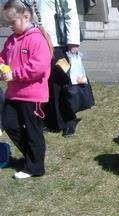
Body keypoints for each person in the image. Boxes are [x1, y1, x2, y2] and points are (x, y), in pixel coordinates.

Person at [0, 0, 52, 179]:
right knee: (9, 123)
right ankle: (31, 156)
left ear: (26, 17)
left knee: (32, 131)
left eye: (12, 22)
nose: (10, 26)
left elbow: (38, 67)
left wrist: (14, 75)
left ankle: (35, 167)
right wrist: (2, 66)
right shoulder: (11, 40)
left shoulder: (37, 39)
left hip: (32, 96)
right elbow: (3, 57)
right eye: (7, 23)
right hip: (13, 94)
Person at [36, 0, 81, 137]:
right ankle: (49, 120)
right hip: (36, 40)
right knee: (43, 82)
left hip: (57, 42)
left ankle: (68, 121)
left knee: (61, 83)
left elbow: (70, 10)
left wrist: (72, 41)